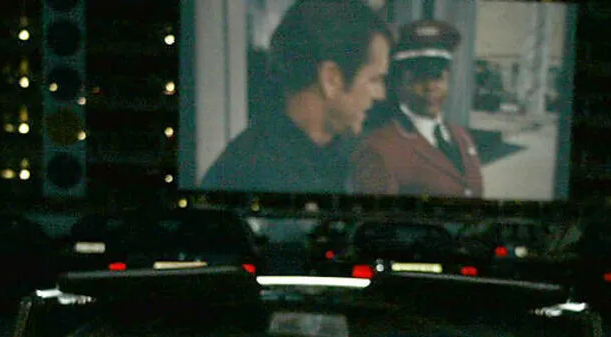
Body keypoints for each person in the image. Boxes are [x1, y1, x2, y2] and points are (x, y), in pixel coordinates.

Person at [199, 0, 391, 194]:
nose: (381, 95)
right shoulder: (254, 175)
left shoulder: (339, 160)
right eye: (374, 79)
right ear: (331, 79)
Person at [348, 20, 485, 198]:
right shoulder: (378, 148)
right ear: (398, 83)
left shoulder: (461, 137)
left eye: (437, 76)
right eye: (419, 77)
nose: (430, 87)